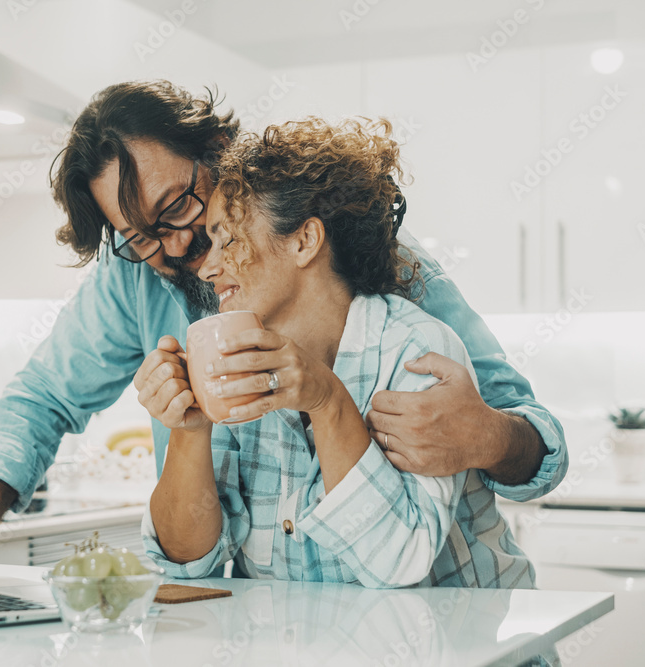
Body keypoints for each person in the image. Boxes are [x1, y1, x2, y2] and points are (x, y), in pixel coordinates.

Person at [0, 80, 567, 571]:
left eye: (177, 206)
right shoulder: (140, 280)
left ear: (219, 155)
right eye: (140, 237)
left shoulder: (387, 278)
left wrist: (487, 435)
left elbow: (537, 443)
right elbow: (42, 399)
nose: (175, 248)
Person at [139, 117, 534, 589]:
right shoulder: (232, 360)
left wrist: (326, 399)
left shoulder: (415, 350)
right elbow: (186, 563)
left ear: (304, 241)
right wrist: (189, 430)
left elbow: (400, 560)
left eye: (228, 239)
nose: (207, 268)